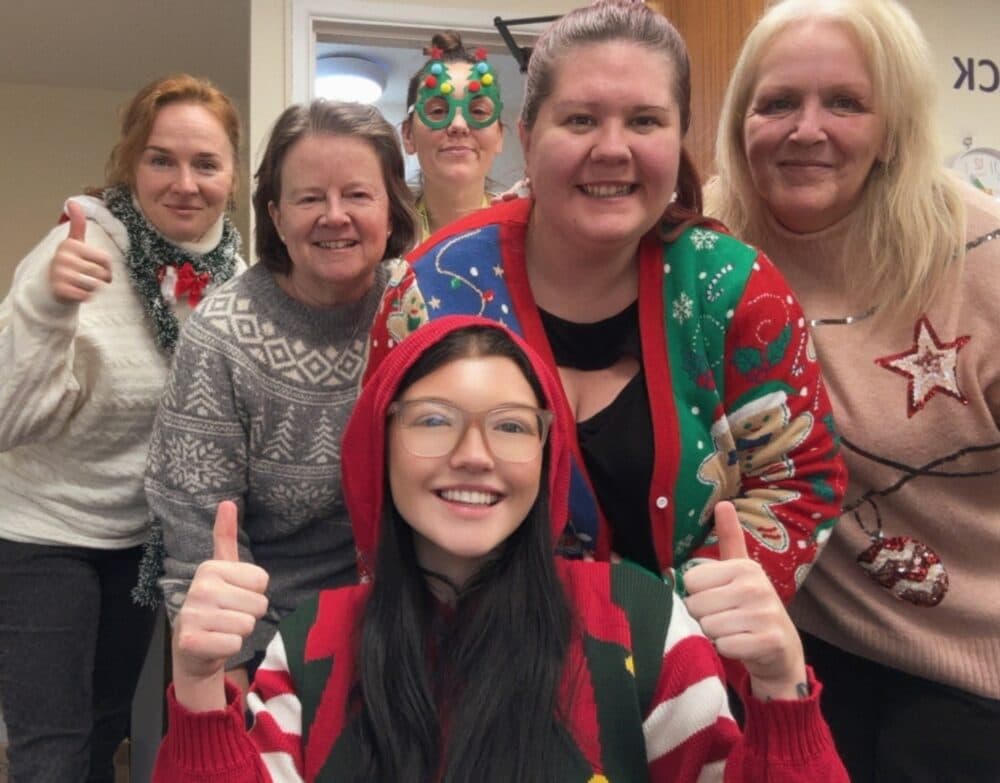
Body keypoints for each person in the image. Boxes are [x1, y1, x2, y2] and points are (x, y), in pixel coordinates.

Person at [151, 315, 848, 782]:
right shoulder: (311, 642)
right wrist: (200, 689)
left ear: (548, 455)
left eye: (511, 427)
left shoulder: (641, 620)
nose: (474, 456)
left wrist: (782, 686)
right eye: (432, 420)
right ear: (378, 448)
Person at [367, 0, 846, 603]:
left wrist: (672, 633)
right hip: (467, 659)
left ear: (679, 138)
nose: (613, 149)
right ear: (527, 135)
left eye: (645, 121)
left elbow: (801, 477)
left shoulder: (735, 289)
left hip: (688, 666)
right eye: (580, 120)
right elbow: (379, 482)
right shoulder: (431, 289)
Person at [706, 0, 1000, 779]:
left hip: (973, 669)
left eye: (845, 102)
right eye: (778, 103)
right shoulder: (707, 244)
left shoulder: (983, 258)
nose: (807, 130)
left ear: (893, 125)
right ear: (741, 120)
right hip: (803, 647)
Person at [0, 73, 245, 782]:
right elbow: (9, 422)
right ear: (131, 164)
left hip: (140, 541)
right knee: (52, 746)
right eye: (161, 159)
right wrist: (47, 309)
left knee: (108, 728)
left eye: (206, 163)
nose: (184, 182)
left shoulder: (235, 279)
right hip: (40, 534)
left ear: (231, 176)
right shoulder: (72, 252)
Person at [138, 99, 418, 693]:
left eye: (358, 196)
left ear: (391, 211)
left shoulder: (418, 306)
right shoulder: (223, 335)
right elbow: (198, 533)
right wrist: (229, 681)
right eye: (310, 198)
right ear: (277, 215)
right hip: (272, 637)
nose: (334, 216)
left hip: (411, 623)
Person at [402, 30, 504, 241]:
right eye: (438, 111)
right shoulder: (384, 240)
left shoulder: (531, 237)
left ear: (499, 136)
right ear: (408, 136)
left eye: (478, 112)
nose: (458, 125)